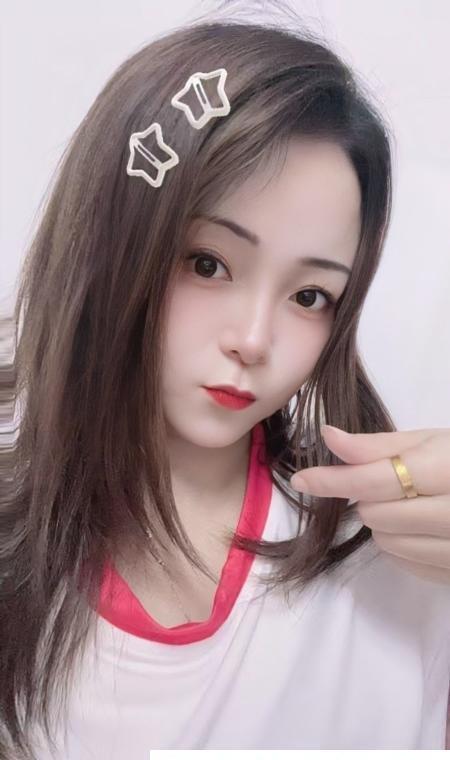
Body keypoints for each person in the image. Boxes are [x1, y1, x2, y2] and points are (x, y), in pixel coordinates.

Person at [1, 11, 449, 759]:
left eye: (310, 295)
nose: (254, 338)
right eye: (207, 263)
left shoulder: (391, 555)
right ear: (109, 245)